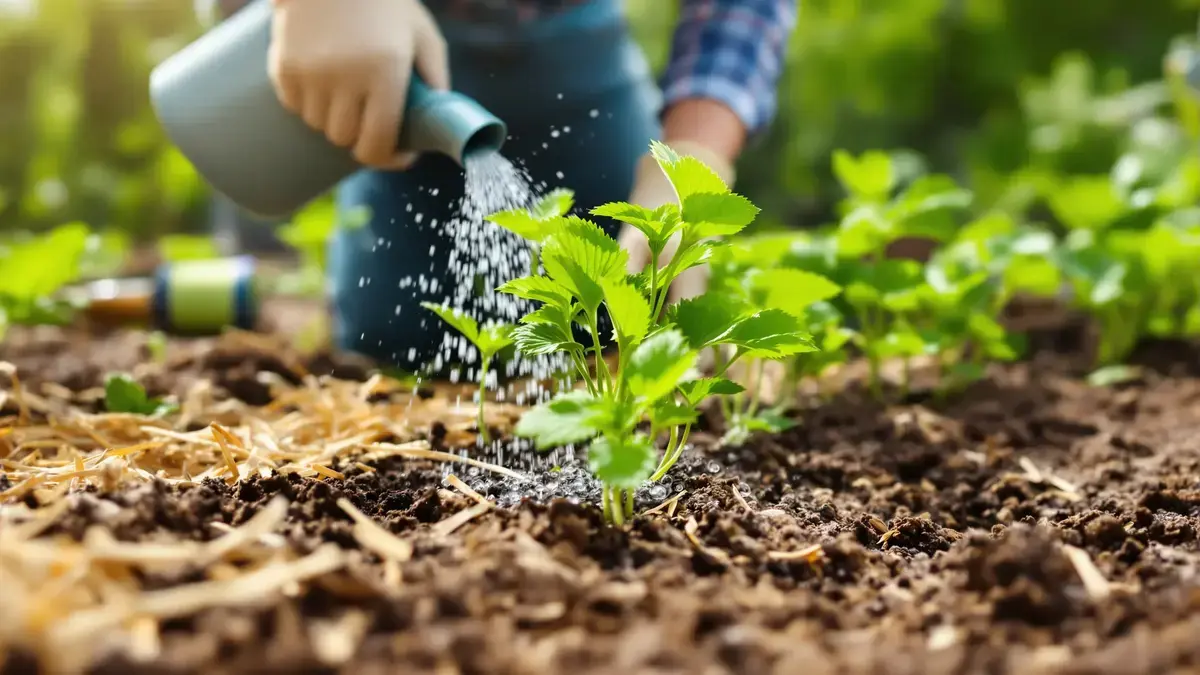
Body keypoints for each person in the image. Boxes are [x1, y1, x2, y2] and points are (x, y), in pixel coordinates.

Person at [215, 0, 796, 371]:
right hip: (393, 54)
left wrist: (693, 154)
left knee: (625, 318)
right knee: (394, 338)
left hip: (578, 50)